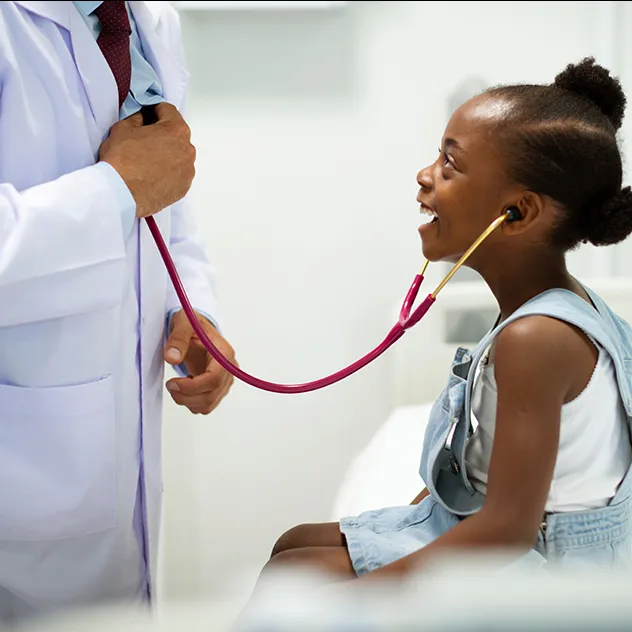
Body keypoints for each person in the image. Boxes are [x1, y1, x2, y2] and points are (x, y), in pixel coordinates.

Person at [257, 57, 632, 585]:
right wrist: (399, 528)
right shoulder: (544, 306)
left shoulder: (536, 339)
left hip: (547, 573)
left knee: (294, 576)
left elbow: (507, 532)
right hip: (483, 522)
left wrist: (361, 595)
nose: (425, 175)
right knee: (292, 545)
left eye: (449, 165)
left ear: (518, 214)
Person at [0, 0, 236, 621]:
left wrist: (192, 305)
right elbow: (131, 184)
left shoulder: (147, 18)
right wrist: (113, 192)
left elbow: (162, 195)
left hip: (109, 469)